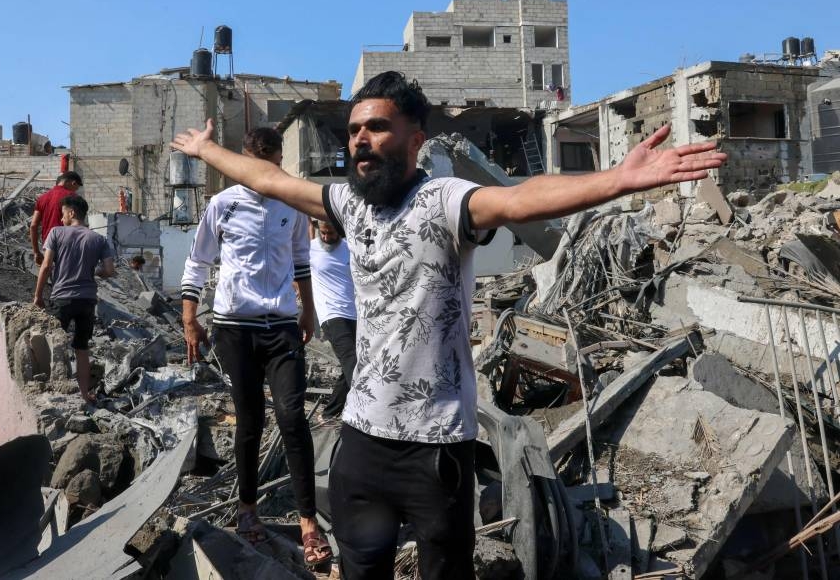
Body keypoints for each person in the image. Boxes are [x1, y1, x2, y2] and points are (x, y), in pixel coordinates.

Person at [171, 71, 726, 579]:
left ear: (416, 141)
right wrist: (207, 149)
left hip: (434, 453)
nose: (360, 138)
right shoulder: (347, 204)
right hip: (361, 447)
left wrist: (616, 180)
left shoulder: (444, 201)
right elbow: (268, 180)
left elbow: (518, 200)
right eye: (355, 129)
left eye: (378, 127)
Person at [180, 127, 333, 566]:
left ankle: (308, 522)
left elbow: (301, 260)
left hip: (282, 327)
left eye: (273, 162)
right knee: (249, 420)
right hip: (234, 328)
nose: (267, 170)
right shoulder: (222, 205)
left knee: (292, 416)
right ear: (245, 158)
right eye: (259, 161)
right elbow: (198, 260)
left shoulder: (291, 204)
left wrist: (308, 310)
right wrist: (190, 318)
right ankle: (248, 511)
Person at [33, 195, 115, 403]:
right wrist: (92, 272)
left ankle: (55, 392)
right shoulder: (98, 239)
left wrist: (38, 295)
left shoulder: (57, 233)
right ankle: (84, 394)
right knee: (82, 347)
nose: (61, 219)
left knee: (54, 344)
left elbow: (46, 266)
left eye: (62, 214)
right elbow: (109, 270)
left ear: (71, 213)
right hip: (87, 300)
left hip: (62, 298)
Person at [308, 218, 357, 419]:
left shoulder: (350, 249)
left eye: (331, 234)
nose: (327, 238)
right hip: (331, 314)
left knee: (357, 363)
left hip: (355, 314)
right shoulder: (309, 249)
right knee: (353, 365)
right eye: (323, 233)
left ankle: (329, 414)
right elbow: (294, 274)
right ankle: (361, 414)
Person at [31, 171, 83, 266]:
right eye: (76, 188)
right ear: (73, 183)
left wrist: (36, 252)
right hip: (68, 246)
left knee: (49, 273)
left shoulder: (42, 198)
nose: (75, 191)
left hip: (47, 246)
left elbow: (33, 226)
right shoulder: (73, 198)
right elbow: (78, 223)